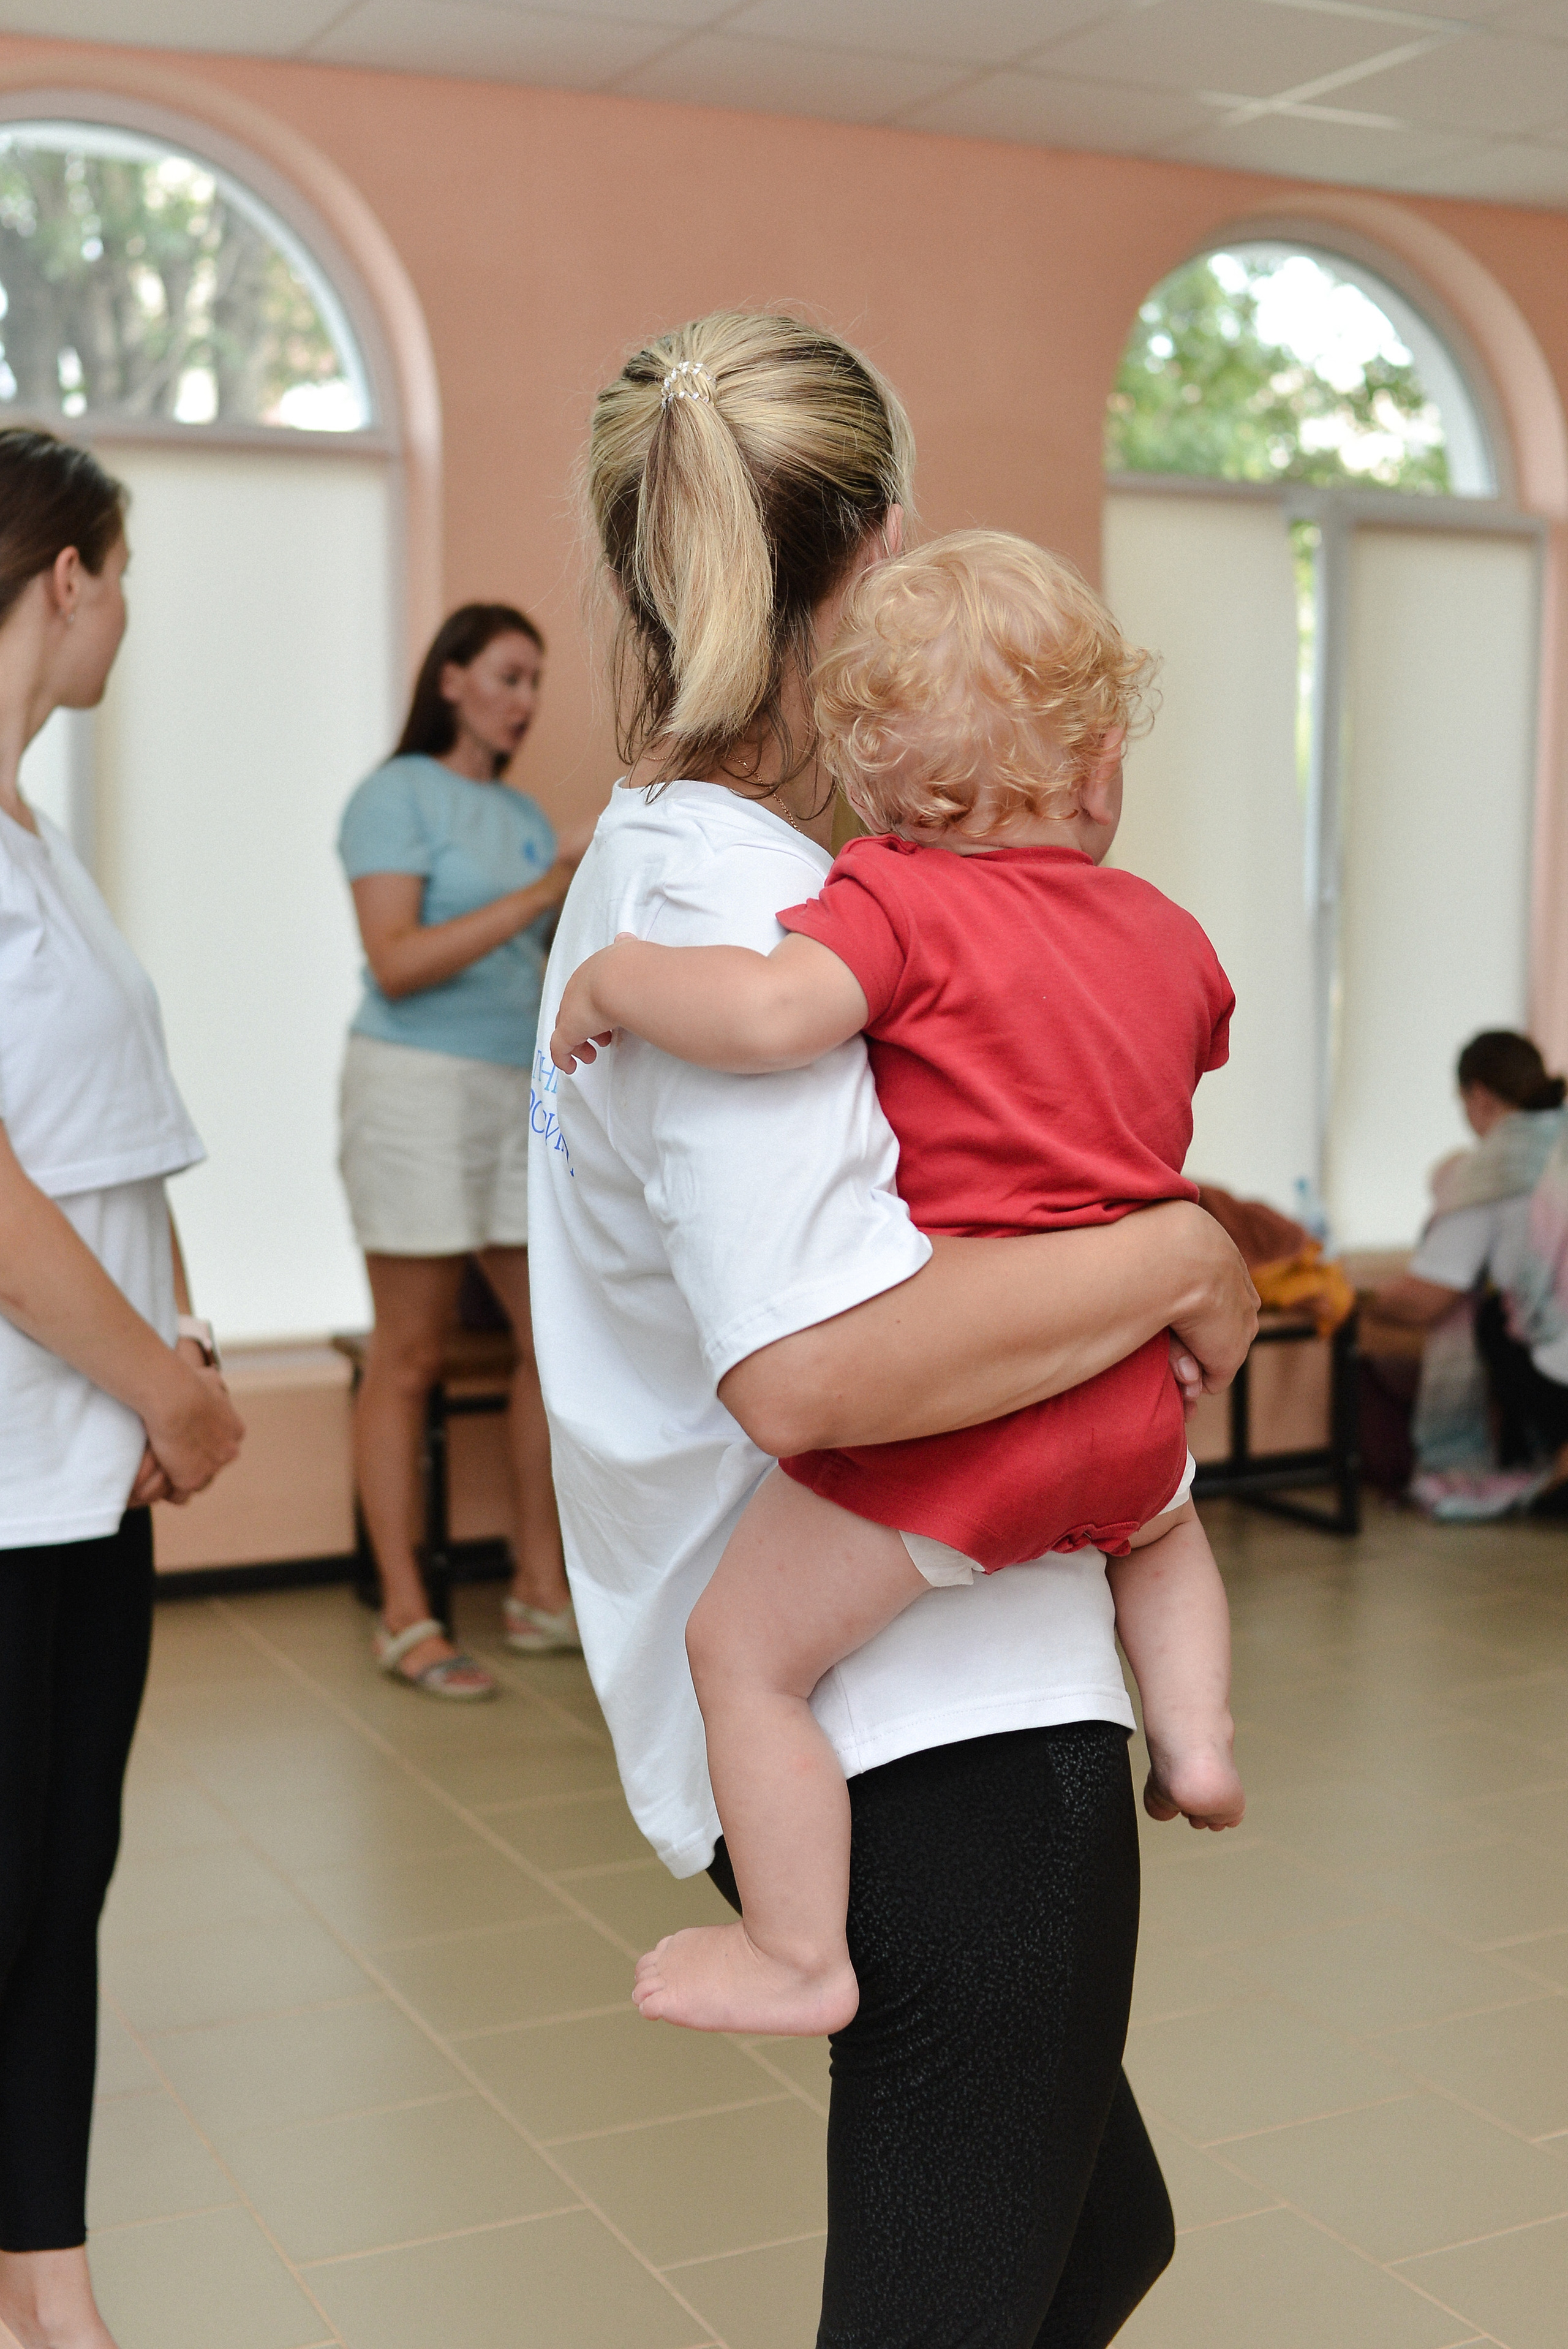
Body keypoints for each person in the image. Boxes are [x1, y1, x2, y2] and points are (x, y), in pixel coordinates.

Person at [529, 312, 1257, 2347]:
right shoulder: (749, 910)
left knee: (1099, 2236)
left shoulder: (801, 887)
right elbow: (822, 1371)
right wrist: (1181, 1250)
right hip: (934, 1740)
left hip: (956, 1683)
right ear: (895, 551)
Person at [0, 428, 244, 2349]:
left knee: (54, 1883)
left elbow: (99, 1139)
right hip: (23, 1460)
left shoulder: (32, 829)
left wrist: (187, 1340)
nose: (129, 613)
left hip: (79, 1459)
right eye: (124, 570)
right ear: (64, 576)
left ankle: (47, 2285)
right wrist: (169, 1394)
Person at [337, 605, 590, 1698]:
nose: (525, 699)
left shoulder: (525, 815)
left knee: (557, 1343)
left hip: (509, 1093)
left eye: (536, 679)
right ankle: (407, 1612)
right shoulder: (392, 797)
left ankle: (542, 1588)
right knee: (411, 1354)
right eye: (507, 674)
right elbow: (396, 961)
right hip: (413, 1086)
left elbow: (527, 973)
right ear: (451, 679)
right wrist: (541, 894)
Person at [1376, 1031, 1568, 1518]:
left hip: (1558, 1367)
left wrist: (1359, 1298)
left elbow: (1428, 1298)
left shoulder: (1492, 1168)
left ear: (1478, 1096)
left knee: (1493, 1320)